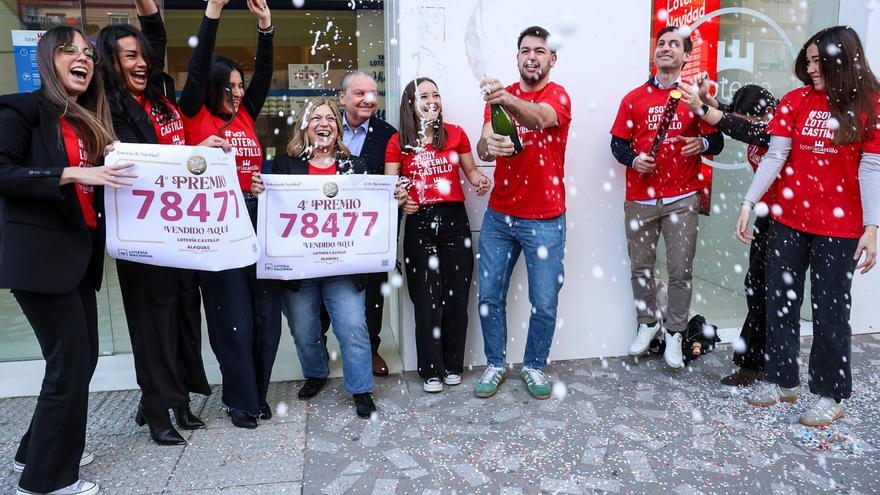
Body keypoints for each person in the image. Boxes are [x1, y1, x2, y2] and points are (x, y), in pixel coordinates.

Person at [0, 25, 135, 495]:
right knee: (70, 362)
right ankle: (44, 482)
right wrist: (74, 171)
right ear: (46, 59)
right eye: (68, 50)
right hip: (39, 259)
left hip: (77, 261)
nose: (82, 58)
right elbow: (4, 172)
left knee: (79, 360)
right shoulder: (21, 109)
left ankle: (34, 451)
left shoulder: (85, 121)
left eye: (87, 53)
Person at [735, 26, 879, 427]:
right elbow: (775, 156)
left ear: (842, 58)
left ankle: (830, 392)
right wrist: (749, 201)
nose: (812, 68)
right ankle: (782, 380)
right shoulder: (796, 101)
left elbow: (871, 168)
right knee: (779, 301)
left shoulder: (870, 103)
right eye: (809, 60)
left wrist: (872, 227)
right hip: (788, 221)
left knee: (830, 312)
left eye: (820, 61)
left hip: (840, 229)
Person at [97, 0, 220, 445]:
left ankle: (181, 397)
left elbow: (157, 40)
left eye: (142, 54)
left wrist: (201, 147)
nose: (141, 61)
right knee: (153, 323)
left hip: (180, 233)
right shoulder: (106, 108)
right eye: (129, 55)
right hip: (142, 235)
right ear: (110, 62)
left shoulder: (161, 98)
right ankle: (156, 408)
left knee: (185, 316)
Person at [178, 0, 280, 429]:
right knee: (232, 320)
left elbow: (261, 79)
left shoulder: (245, 117)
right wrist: (213, 11)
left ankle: (256, 391)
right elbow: (199, 65)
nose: (238, 93)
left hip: (256, 221)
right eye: (230, 86)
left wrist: (267, 27)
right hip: (216, 227)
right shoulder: (194, 114)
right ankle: (239, 399)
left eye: (240, 86)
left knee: (266, 318)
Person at [251, 98, 377, 418]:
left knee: (352, 326)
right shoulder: (284, 165)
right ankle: (317, 373)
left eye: (331, 118)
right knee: (304, 330)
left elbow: (370, 209)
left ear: (338, 127)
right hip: (299, 269)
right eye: (316, 117)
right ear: (305, 127)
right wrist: (259, 191)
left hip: (342, 267)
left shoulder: (356, 166)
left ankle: (361, 388)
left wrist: (393, 196)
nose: (324, 123)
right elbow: (274, 210)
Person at [610, 26, 724, 369]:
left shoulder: (694, 98)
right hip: (640, 200)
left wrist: (701, 144)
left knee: (680, 271)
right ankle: (648, 323)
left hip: (682, 197)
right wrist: (633, 159)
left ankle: (675, 332)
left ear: (686, 56)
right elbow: (617, 144)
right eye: (661, 43)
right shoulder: (633, 98)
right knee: (641, 268)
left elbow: (717, 141)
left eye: (674, 44)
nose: (665, 48)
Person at [474, 26, 571, 400]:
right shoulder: (498, 99)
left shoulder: (558, 96)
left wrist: (505, 101)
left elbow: (540, 118)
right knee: (489, 296)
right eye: (525, 50)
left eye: (540, 51)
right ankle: (495, 364)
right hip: (500, 217)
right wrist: (489, 144)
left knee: (544, 302)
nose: (532, 56)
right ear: (517, 57)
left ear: (551, 60)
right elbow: (484, 147)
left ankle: (533, 366)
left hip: (545, 218)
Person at [386, 77, 491, 393]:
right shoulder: (398, 142)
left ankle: (453, 366)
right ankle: (431, 370)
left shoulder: (456, 134)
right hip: (419, 225)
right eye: (424, 95)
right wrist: (402, 198)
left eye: (436, 95)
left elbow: (470, 172)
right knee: (427, 302)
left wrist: (479, 180)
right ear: (411, 103)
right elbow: (392, 186)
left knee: (456, 299)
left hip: (454, 223)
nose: (432, 100)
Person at [678, 80, 779, 386]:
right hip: (765, 216)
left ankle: (761, 366)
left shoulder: (778, 130)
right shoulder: (756, 123)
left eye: (747, 121)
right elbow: (735, 122)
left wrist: (703, 107)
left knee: (769, 292)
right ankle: (754, 362)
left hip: (787, 221)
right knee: (757, 287)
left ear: (769, 113)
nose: (743, 128)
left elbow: (743, 129)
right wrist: (711, 102)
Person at [337, 70, 397, 377]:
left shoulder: (388, 134)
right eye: (359, 93)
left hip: (372, 230)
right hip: (329, 229)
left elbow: (395, 180)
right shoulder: (324, 129)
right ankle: (321, 349)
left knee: (374, 290)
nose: (368, 99)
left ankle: (371, 349)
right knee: (328, 285)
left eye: (372, 93)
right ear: (342, 98)